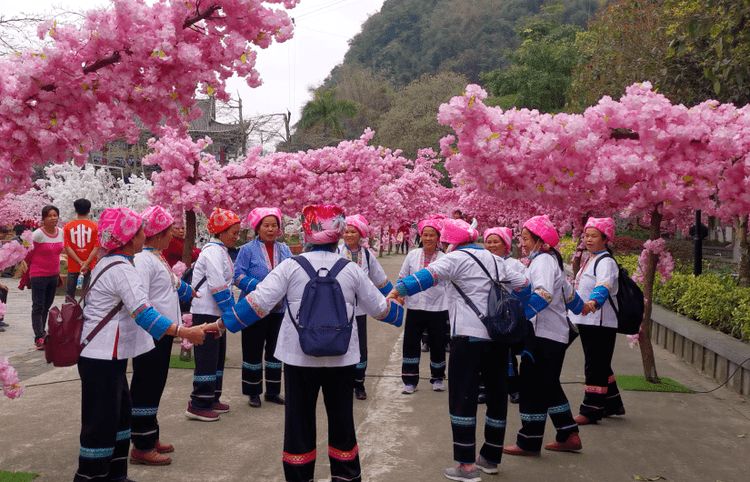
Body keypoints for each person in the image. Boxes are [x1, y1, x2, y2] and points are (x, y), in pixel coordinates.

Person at [214, 205, 404, 482]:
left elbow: (257, 304)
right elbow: (380, 309)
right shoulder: (350, 269)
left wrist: (219, 325)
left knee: (298, 422)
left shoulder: (290, 266)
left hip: (297, 356)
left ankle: (301, 476)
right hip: (342, 358)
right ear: (337, 234)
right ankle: (346, 476)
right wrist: (398, 310)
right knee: (342, 420)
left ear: (306, 232)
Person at [387, 218, 532, 482]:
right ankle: (490, 458)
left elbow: (426, 276)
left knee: (462, 399)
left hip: (467, 338)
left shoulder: (455, 258)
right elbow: (524, 286)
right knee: (497, 398)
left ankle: (466, 466)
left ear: (448, 241)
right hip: (498, 339)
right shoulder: (496, 260)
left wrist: (398, 291)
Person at [74, 207, 205, 482]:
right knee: (100, 424)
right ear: (130, 238)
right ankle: (91, 476)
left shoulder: (112, 262)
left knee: (120, 418)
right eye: (140, 232)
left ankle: (116, 475)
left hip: (109, 356)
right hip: (101, 358)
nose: (145, 236)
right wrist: (184, 332)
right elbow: (144, 313)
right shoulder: (122, 269)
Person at [503, 215, 585, 458]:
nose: (523, 243)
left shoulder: (543, 262)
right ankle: (568, 433)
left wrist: (520, 317)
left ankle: (529, 442)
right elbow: (571, 297)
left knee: (532, 386)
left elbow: (544, 294)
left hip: (543, 336)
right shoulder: (549, 262)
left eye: (527, 239)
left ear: (541, 241)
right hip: (551, 335)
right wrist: (587, 307)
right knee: (547, 385)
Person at [129, 206, 200, 466]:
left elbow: (172, 282)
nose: (174, 235)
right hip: (151, 335)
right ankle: (141, 445)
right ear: (158, 233)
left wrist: (189, 290)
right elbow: (142, 300)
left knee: (155, 385)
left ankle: (150, 435)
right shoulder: (143, 261)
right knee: (146, 386)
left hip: (162, 334)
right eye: (170, 230)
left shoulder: (156, 256)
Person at [186, 208, 244, 421]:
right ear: (221, 231)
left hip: (216, 313)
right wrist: (233, 312)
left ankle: (211, 396)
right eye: (233, 232)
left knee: (217, 357)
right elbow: (218, 286)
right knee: (207, 358)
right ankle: (199, 402)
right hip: (206, 313)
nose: (236, 237)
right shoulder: (212, 251)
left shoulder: (221, 251)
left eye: (238, 233)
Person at [233, 207, 292, 408]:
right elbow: (237, 276)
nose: (270, 229)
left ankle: (273, 391)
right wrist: (260, 286)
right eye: (266, 225)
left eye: (274, 225)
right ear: (257, 228)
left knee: (275, 350)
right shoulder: (246, 250)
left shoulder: (285, 249)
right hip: (253, 307)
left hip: (279, 308)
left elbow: (292, 273)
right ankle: (253, 392)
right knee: (252, 349)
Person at [570, 217, 626, 425]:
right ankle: (612, 404)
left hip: (599, 321)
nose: (588, 239)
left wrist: (594, 301)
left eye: (594, 236)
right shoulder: (591, 259)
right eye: (586, 235)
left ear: (605, 239)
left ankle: (591, 410)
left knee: (595, 365)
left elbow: (604, 285)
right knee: (600, 363)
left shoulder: (606, 262)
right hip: (588, 320)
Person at [336, 214, 393, 400]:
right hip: (337, 310)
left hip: (360, 311)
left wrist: (394, 295)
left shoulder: (367, 255)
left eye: (353, 231)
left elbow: (380, 279)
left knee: (360, 346)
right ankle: (342, 383)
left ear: (360, 235)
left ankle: (359, 383)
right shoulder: (335, 252)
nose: (348, 235)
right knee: (340, 344)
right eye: (346, 231)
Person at [398, 215, 449, 394]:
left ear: (438, 238)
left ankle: (437, 378)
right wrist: (400, 296)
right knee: (411, 343)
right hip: (415, 306)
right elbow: (403, 277)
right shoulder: (413, 255)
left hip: (438, 307)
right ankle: (410, 381)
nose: (428, 238)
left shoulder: (445, 257)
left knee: (438, 343)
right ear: (420, 236)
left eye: (432, 235)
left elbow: (450, 283)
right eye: (425, 235)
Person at [483, 227, 525, 404]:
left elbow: (525, 286)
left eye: (496, 241)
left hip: (508, 315)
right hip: (487, 314)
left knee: (507, 352)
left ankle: (513, 387)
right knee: (486, 352)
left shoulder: (515, 265)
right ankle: (485, 388)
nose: (492, 245)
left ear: (506, 244)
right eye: (489, 241)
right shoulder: (481, 263)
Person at [29, 205, 65, 349]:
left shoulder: (61, 232)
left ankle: (42, 333)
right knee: (38, 306)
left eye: (55, 215)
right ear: (43, 218)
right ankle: (39, 337)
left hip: (53, 275)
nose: (53, 218)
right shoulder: (37, 234)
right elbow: (29, 253)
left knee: (46, 306)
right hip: (38, 275)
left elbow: (62, 250)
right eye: (49, 216)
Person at [63, 198, 100, 299]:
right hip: (90, 266)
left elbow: (67, 247)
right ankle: (87, 314)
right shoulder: (95, 227)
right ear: (89, 211)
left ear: (75, 210)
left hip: (73, 265)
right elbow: (96, 248)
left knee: (69, 295)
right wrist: (86, 263)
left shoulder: (67, 227)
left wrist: (80, 262)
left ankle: (69, 313)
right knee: (88, 295)